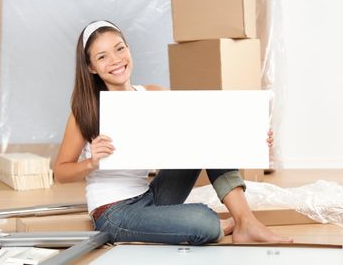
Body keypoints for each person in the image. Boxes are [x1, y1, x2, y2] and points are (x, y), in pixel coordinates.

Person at [54, 20, 292, 245]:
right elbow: (60, 172)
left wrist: (251, 137)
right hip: (114, 212)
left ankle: (245, 222)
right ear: (91, 67)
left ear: (128, 48)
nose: (115, 60)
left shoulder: (153, 94)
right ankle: (215, 224)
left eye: (119, 49)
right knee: (203, 222)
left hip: (151, 196)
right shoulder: (86, 112)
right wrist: (91, 163)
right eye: (102, 57)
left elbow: (206, 128)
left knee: (206, 132)